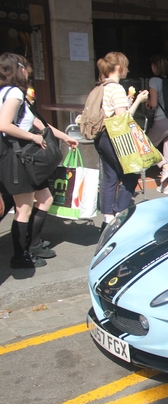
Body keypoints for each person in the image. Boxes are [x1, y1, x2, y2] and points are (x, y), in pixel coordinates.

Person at [0, 53, 79, 268]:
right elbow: (4, 125)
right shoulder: (14, 92)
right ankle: (20, 256)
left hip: (24, 158)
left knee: (45, 199)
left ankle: (33, 244)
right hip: (18, 158)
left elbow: (39, 123)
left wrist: (64, 137)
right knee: (23, 208)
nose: (28, 72)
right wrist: (33, 137)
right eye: (25, 68)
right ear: (17, 69)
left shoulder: (12, 94)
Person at [94, 52, 148, 232]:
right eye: (126, 66)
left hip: (101, 137)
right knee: (131, 174)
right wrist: (139, 100)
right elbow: (122, 118)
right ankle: (119, 214)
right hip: (115, 138)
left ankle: (107, 219)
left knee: (109, 178)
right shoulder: (116, 88)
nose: (128, 69)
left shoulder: (102, 87)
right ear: (119, 68)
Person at [146, 54, 168, 194]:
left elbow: (152, 103)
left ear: (154, 67)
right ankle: (167, 186)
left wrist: (146, 102)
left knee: (145, 145)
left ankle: (164, 166)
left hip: (162, 119)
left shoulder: (154, 81)